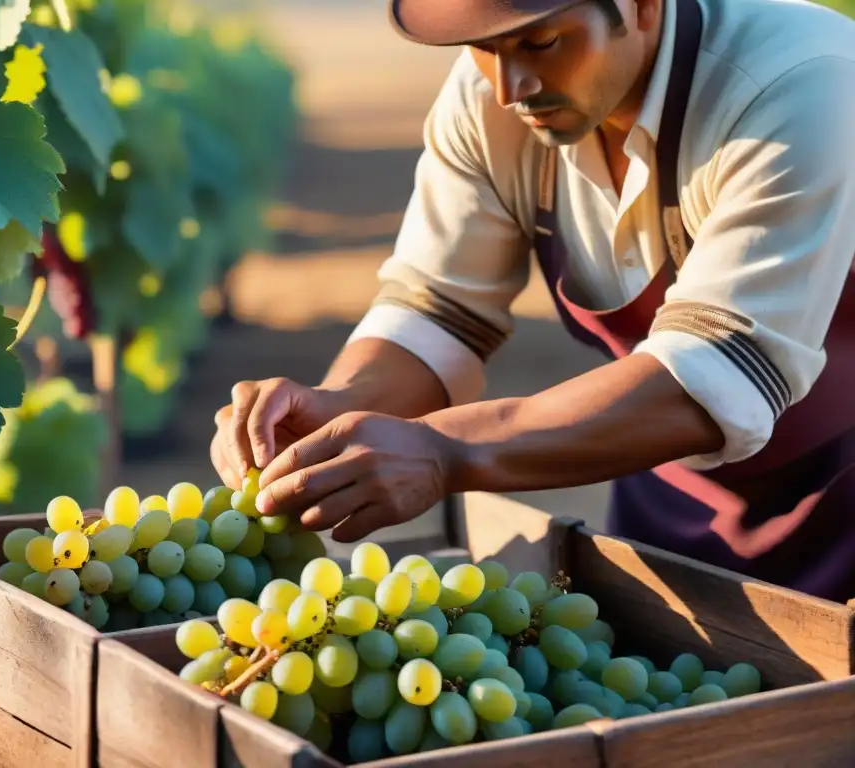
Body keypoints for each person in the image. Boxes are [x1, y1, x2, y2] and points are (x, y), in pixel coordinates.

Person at [210, 0, 855, 601]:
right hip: (664, 493)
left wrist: (447, 451)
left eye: (541, 41)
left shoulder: (801, 85)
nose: (506, 87)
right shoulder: (496, 99)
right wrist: (341, 408)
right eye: (480, 48)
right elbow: (437, 310)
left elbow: (718, 374)